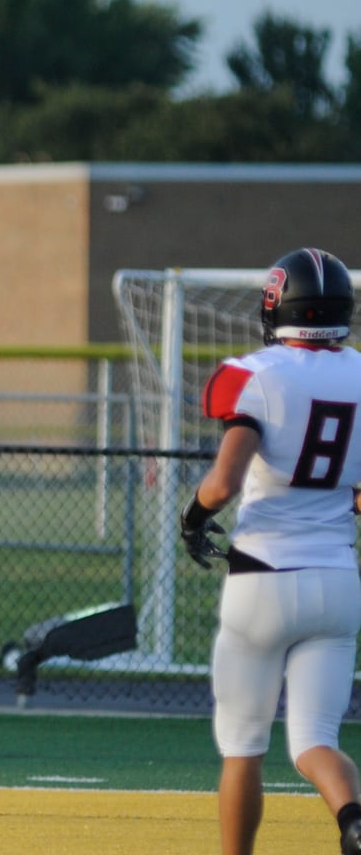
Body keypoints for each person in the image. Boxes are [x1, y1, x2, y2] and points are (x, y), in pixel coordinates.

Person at [179, 247, 361, 855]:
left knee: (243, 745)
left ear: (276, 303)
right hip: (337, 580)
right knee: (315, 739)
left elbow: (224, 483)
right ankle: (354, 820)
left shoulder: (256, 373)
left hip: (262, 576)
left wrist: (193, 517)